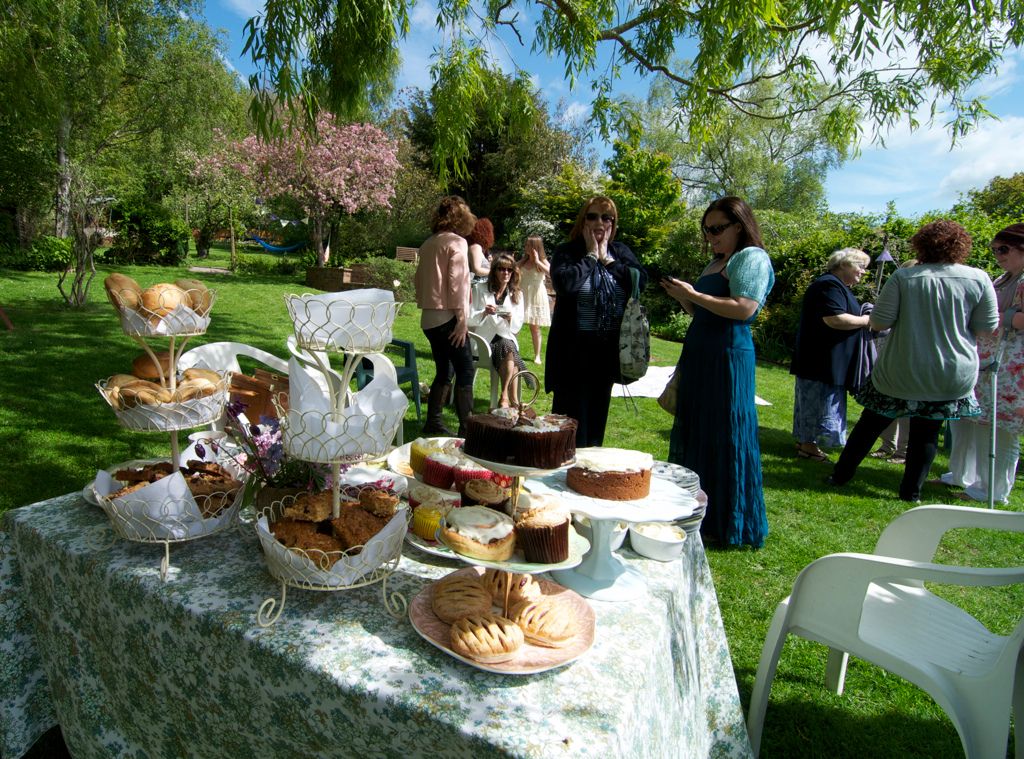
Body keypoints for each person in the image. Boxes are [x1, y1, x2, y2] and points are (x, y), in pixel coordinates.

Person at [828, 220, 998, 502]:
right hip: (952, 371)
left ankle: (840, 476)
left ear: (921, 245)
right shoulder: (979, 278)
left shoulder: (905, 277)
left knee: (871, 423)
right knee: (927, 432)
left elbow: (880, 322)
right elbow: (986, 328)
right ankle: (911, 493)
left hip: (902, 368)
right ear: (961, 246)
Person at [661, 196, 775, 548]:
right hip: (702, 352)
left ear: (739, 226)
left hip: (727, 356)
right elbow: (704, 313)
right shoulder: (717, 262)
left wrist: (694, 294)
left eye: (716, 229)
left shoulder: (751, 257)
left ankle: (728, 522)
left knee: (726, 434)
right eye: (706, 230)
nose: (710, 236)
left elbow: (743, 308)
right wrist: (683, 297)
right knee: (699, 429)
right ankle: (696, 513)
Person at [546, 196, 647, 447]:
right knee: (568, 429)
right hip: (573, 354)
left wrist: (607, 261)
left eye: (606, 217)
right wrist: (591, 257)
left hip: (605, 354)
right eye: (592, 216)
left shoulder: (620, 252)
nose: (599, 222)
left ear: (613, 223)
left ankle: (588, 469)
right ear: (583, 221)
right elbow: (565, 285)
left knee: (594, 431)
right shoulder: (567, 252)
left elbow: (640, 281)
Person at [940, 223, 1024, 503]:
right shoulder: (1003, 278)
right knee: (970, 419)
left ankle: (992, 490)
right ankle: (960, 475)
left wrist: (992, 317)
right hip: (985, 360)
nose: (998, 255)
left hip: (1011, 365)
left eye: (1004, 249)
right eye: (995, 250)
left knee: (999, 428)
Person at [789, 248, 872, 461]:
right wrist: (866, 321)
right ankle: (809, 446)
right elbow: (834, 319)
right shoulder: (829, 285)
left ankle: (807, 442)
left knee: (815, 402)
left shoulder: (836, 285)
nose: (863, 272)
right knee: (817, 403)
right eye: (860, 266)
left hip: (825, 361)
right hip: (821, 360)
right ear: (844, 264)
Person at [414, 196, 477, 436]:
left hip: (429, 318)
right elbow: (457, 282)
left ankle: (433, 423)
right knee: (465, 369)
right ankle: (467, 431)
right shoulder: (457, 242)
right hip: (447, 317)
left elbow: (418, 280)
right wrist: (461, 319)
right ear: (461, 218)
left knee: (445, 370)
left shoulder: (428, 243)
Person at [469, 253, 529, 407]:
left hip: (505, 337)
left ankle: (505, 397)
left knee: (507, 347)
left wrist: (509, 318)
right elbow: (468, 318)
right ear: (494, 271)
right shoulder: (479, 288)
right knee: (510, 351)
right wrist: (484, 312)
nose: (506, 273)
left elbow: (517, 327)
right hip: (484, 340)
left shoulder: (517, 294)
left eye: (509, 270)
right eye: (501, 269)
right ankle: (511, 399)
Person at [517, 235, 551, 363]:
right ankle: (513, 351)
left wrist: (537, 262)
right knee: (516, 324)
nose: (525, 247)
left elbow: (551, 273)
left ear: (535, 247)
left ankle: (537, 355)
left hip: (536, 295)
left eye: (528, 245)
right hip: (522, 294)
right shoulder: (524, 260)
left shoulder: (542, 261)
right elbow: (513, 268)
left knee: (534, 327)